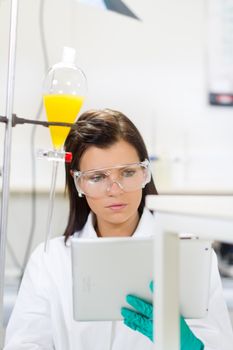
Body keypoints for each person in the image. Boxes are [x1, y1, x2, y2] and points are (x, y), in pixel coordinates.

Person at [4, 109, 233, 350]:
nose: (115, 189)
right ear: (78, 182)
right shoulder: (50, 260)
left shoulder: (189, 257)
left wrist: (190, 347)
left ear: (145, 173)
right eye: (97, 177)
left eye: (128, 172)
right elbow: (25, 344)